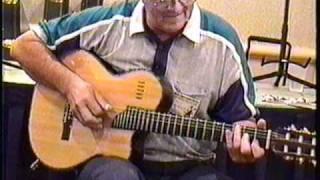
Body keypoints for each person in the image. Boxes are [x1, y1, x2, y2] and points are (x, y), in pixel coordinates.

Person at [11, 0, 267, 179]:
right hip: (113, 163)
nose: (175, 6)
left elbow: (242, 122)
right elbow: (24, 46)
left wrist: (244, 143)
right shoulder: (107, 23)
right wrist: (71, 86)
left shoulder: (223, 44)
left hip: (192, 167)